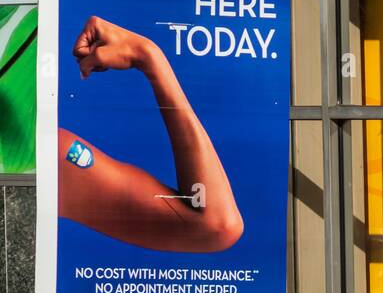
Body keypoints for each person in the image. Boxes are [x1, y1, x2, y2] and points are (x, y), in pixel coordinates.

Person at [58, 15, 244, 252]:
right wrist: (147, 56)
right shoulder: (40, 152)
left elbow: (216, 224)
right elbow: (217, 226)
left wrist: (147, 55)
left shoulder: (45, 153)